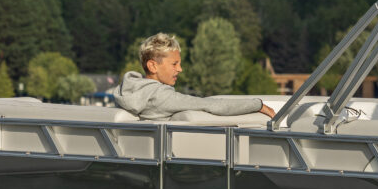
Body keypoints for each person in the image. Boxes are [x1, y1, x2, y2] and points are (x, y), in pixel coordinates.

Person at [114, 32, 277, 120]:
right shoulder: (161, 97)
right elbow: (211, 105)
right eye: (174, 64)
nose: (180, 69)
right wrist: (258, 105)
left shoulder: (127, 91)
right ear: (152, 66)